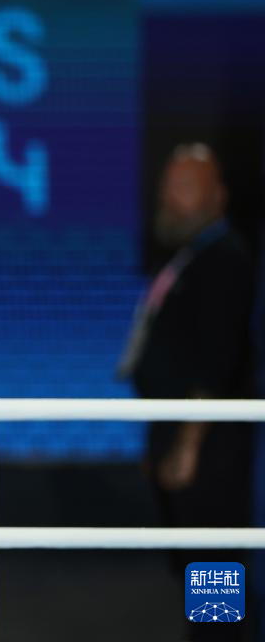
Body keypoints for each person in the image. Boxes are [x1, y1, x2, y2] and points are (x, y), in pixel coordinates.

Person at [118, 143, 254, 641]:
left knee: (212, 555)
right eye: (168, 187)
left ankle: (218, 637)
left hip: (209, 447)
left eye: (186, 188)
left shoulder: (225, 259)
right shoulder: (189, 255)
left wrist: (188, 445)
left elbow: (217, 362)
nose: (171, 198)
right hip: (177, 433)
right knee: (195, 555)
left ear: (218, 195)